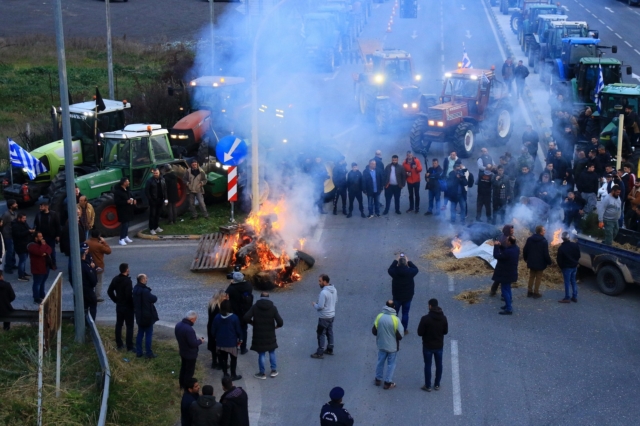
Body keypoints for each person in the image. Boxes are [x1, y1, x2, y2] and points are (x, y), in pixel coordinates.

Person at [243, 291, 284, 379]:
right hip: (270, 334)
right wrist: (276, 326)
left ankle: (262, 373)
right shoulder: (273, 308)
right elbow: (280, 322)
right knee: (271, 351)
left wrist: (252, 323)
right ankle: (273, 370)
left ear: (260, 297)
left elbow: (246, 317)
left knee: (261, 353)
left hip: (259, 334)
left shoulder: (255, 307)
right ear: (268, 298)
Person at [417, 298, 449, 391]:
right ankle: (437, 384)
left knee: (428, 365)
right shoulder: (443, 318)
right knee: (439, 365)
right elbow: (445, 331)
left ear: (430, 306)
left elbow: (420, 333)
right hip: (439, 345)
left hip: (428, 346)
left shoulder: (425, 319)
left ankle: (428, 385)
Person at [372, 300, 403, 390]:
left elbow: (374, 331)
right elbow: (400, 336)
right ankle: (387, 382)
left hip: (381, 344)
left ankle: (378, 379)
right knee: (391, 364)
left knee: (380, 361)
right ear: (394, 307)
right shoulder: (395, 319)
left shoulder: (379, 316)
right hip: (392, 347)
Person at [211, 300, 243, 381]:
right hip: (231, 343)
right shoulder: (234, 318)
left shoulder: (217, 317)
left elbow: (213, 330)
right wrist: (241, 338)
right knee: (233, 359)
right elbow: (238, 330)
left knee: (223, 359)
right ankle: (233, 374)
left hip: (220, 343)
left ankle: (225, 374)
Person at [387, 254, 419, 332]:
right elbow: (416, 268)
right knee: (405, 313)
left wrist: (395, 260)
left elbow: (390, 268)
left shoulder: (394, 272)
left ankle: (394, 328)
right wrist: (409, 261)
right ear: (406, 264)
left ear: (398, 264)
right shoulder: (410, 272)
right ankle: (404, 329)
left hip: (397, 296)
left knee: (395, 312)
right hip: (408, 297)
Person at [107, 263, 135, 351]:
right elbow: (128, 295)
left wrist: (116, 300)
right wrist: (132, 305)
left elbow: (109, 291)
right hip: (127, 306)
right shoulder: (127, 281)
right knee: (129, 326)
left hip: (119, 305)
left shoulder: (115, 279)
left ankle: (119, 344)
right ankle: (129, 345)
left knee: (119, 324)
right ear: (126, 270)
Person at [225, 271, 253, 355]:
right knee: (244, 330)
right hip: (245, 311)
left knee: (234, 330)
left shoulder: (232, 288)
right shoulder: (248, 285)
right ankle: (243, 348)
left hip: (235, 312)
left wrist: (231, 284)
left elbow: (226, 293)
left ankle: (235, 346)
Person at [175, 310, 205, 389]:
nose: (195, 321)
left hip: (183, 351)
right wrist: (200, 341)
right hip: (190, 354)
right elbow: (193, 344)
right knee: (189, 372)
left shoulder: (178, 325)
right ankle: (187, 387)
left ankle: (181, 385)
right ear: (192, 319)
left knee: (183, 369)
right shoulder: (189, 330)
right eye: (195, 319)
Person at [311, 274, 337, 359]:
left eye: (320, 281)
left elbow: (320, 306)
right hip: (331, 315)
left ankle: (320, 352)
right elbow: (336, 301)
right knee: (329, 332)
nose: (319, 283)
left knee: (321, 334)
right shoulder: (334, 290)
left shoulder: (323, 292)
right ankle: (330, 348)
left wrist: (315, 305)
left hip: (324, 317)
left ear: (325, 282)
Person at [133, 273, 159, 358]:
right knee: (148, 335)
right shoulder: (145, 291)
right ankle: (148, 353)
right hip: (147, 316)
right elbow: (154, 298)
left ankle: (139, 352)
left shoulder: (135, 289)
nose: (147, 279)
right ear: (142, 280)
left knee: (140, 333)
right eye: (146, 278)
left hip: (139, 316)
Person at [492, 237, 519, 315]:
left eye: (507, 240)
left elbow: (496, 256)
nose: (505, 241)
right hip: (511, 272)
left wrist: (496, 246)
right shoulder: (516, 248)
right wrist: (501, 246)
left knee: (504, 290)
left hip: (505, 273)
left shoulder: (508, 251)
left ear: (510, 242)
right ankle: (508, 304)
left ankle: (509, 309)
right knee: (508, 288)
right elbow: (506, 251)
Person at [523, 225, 552, 299]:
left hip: (531, 261)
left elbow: (525, 250)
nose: (545, 231)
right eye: (544, 230)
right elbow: (546, 254)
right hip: (540, 263)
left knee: (531, 276)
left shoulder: (530, 239)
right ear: (541, 232)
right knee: (538, 278)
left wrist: (525, 258)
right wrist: (549, 262)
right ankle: (536, 292)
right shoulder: (544, 241)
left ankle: (529, 292)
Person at [33, 199, 60, 267]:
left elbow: (57, 225)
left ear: (46, 207)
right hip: (41, 237)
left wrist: (57, 235)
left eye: (41, 207)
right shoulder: (38, 215)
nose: (40, 208)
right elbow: (35, 224)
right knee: (42, 250)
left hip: (51, 236)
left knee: (52, 250)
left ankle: (53, 263)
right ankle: (45, 263)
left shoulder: (53, 214)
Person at [86, 229, 111, 303]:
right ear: (99, 236)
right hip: (99, 265)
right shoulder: (99, 245)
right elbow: (108, 251)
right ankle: (97, 296)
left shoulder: (86, 243)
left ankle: (88, 294)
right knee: (99, 281)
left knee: (89, 281)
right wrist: (104, 242)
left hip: (88, 264)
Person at [490, 225, 514, 296]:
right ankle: (504, 293)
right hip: (505, 259)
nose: (513, 231)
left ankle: (493, 290)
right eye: (511, 230)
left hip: (503, 260)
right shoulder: (506, 239)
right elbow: (506, 249)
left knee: (499, 276)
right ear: (508, 231)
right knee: (504, 278)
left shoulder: (503, 236)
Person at [557, 232, 581, 303]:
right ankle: (574, 296)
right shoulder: (575, 245)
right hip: (574, 266)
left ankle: (567, 297)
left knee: (567, 282)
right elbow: (578, 255)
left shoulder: (561, 248)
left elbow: (559, 260)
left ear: (562, 239)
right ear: (569, 237)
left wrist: (562, 267)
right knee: (573, 281)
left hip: (566, 268)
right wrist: (575, 262)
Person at [207, 289, 228, 369]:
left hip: (211, 326)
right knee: (219, 345)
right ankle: (220, 363)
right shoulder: (218, 307)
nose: (226, 298)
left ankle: (214, 362)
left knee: (213, 345)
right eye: (224, 297)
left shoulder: (211, 304)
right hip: (218, 328)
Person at [145, 167, 168, 235]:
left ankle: (156, 227)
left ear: (159, 173)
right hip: (153, 200)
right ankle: (151, 228)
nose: (155, 174)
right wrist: (150, 199)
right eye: (154, 173)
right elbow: (147, 191)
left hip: (160, 200)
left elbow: (165, 189)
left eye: (157, 173)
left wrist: (166, 198)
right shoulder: (149, 181)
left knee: (158, 214)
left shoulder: (162, 179)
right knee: (152, 215)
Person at [114, 177, 136, 246]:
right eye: (127, 181)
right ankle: (121, 239)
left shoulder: (127, 190)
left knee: (128, 224)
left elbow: (131, 196)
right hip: (122, 210)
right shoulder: (118, 192)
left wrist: (134, 200)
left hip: (129, 209)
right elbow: (117, 202)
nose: (129, 182)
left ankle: (126, 236)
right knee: (124, 224)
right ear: (124, 183)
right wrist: (126, 201)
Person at [13, 212, 34, 282]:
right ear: (19, 218)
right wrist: (28, 231)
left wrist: (30, 230)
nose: (25, 219)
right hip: (20, 245)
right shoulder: (15, 226)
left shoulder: (23, 223)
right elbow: (18, 235)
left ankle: (23, 273)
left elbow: (28, 229)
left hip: (25, 244)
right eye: (23, 218)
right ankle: (21, 275)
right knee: (22, 260)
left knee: (24, 260)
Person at [79, 242, 98, 320]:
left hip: (84, 287)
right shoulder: (84, 265)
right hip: (87, 287)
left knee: (85, 305)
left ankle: (85, 320)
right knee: (92, 304)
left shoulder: (88, 257)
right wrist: (93, 269)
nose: (86, 251)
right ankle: (90, 322)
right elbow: (91, 277)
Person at [1, 200, 18, 274]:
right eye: (15, 204)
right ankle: (8, 267)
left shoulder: (14, 214)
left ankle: (12, 263)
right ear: (11, 206)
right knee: (10, 251)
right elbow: (1, 224)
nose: (16, 205)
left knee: (13, 251)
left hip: (13, 235)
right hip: (7, 235)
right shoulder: (6, 215)